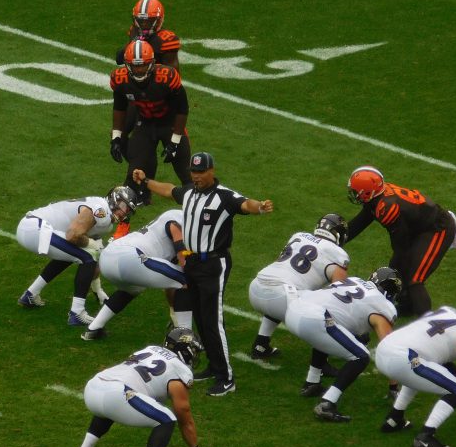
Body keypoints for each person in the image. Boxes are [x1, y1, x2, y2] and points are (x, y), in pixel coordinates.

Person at [132, 152, 274, 397]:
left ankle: (227, 378)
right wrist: (146, 182)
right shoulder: (189, 192)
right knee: (199, 315)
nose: (196, 177)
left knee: (212, 320)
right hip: (193, 262)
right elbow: (169, 190)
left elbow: (245, 203)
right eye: (193, 172)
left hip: (213, 263)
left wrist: (260, 208)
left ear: (212, 171)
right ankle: (213, 365)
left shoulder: (224, 196)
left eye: (201, 172)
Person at [73, 327, 210, 447]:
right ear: (185, 350)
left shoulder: (151, 349)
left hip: (94, 386)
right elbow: (184, 415)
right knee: (167, 418)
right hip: (117, 393)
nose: (195, 354)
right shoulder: (180, 370)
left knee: (110, 405)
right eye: (193, 350)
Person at [373, 299, 456, 447]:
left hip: (385, 349)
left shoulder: (445, 311)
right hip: (404, 358)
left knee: (422, 369)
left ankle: (394, 418)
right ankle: (425, 437)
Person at [283, 267, 401, 422]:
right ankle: (327, 404)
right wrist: (394, 387)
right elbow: (388, 346)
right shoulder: (382, 305)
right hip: (314, 318)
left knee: (329, 332)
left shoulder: (354, 280)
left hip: (295, 308)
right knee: (361, 356)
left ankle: (311, 383)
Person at [345, 165, 456, 317]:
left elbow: (401, 247)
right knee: (400, 267)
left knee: (414, 278)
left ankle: (427, 324)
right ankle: (408, 306)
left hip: (437, 228)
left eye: (356, 191)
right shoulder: (378, 198)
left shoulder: (386, 207)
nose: (354, 194)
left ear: (368, 191)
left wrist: (394, 269)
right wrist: (333, 239)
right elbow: (360, 222)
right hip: (420, 227)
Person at [15, 186, 138, 326]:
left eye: (128, 210)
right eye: (123, 206)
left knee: (76, 253)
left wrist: (98, 289)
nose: (124, 212)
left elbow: (90, 251)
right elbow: (72, 236)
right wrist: (92, 244)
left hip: (34, 227)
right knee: (87, 255)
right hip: (35, 228)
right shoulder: (101, 211)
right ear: (115, 199)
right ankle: (77, 312)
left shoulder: (105, 217)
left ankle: (30, 294)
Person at [248, 213, 351, 360]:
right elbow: (338, 291)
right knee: (328, 314)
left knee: (287, 288)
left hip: (256, 287)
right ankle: (319, 369)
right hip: (280, 297)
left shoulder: (299, 236)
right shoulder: (338, 254)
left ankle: (261, 344)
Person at [82, 208, 191, 340]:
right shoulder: (179, 221)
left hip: (109, 258)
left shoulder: (171, 219)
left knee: (132, 289)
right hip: (129, 257)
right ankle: (185, 337)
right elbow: (183, 260)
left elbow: (170, 281)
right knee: (186, 279)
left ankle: (93, 329)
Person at [110, 39, 191, 208]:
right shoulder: (120, 79)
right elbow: (119, 108)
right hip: (145, 123)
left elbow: (182, 109)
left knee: (187, 173)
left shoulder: (166, 76)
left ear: (152, 63)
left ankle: (200, 205)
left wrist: (174, 142)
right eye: (134, 65)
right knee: (133, 174)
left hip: (170, 124)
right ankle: (131, 212)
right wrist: (116, 137)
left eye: (142, 65)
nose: (138, 69)